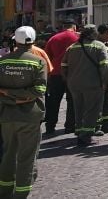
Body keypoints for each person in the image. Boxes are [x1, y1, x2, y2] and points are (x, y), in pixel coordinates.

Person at [0, 27, 47, 198]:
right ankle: (21, 194)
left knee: (8, 154)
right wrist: (21, 98)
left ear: (15, 41)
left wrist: (8, 94)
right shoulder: (37, 61)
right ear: (33, 41)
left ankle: (4, 192)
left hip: (6, 115)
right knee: (26, 157)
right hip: (30, 116)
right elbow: (39, 90)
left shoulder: (3, 61)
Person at [61, 25, 108, 146]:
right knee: (92, 109)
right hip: (93, 83)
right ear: (94, 34)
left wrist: (68, 79)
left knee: (78, 108)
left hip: (74, 84)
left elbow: (63, 65)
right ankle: (86, 136)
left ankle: (79, 131)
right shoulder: (99, 46)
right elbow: (105, 66)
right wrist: (104, 82)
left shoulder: (72, 47)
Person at [43, 20, 78, 135]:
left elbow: (47, 57)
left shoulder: (54, 38)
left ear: (63, 27)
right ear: (74, 27)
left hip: (56, 74)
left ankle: (50, 126)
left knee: (54, 101)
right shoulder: (77, 38)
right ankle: (70, 126)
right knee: (72, 100)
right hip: (73, 74)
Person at [96, 25, 108, 133]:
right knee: (98, 103)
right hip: (98, 80)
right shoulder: (96, 45)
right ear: (103, 33)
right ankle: (96, 126)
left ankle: (107, 125)